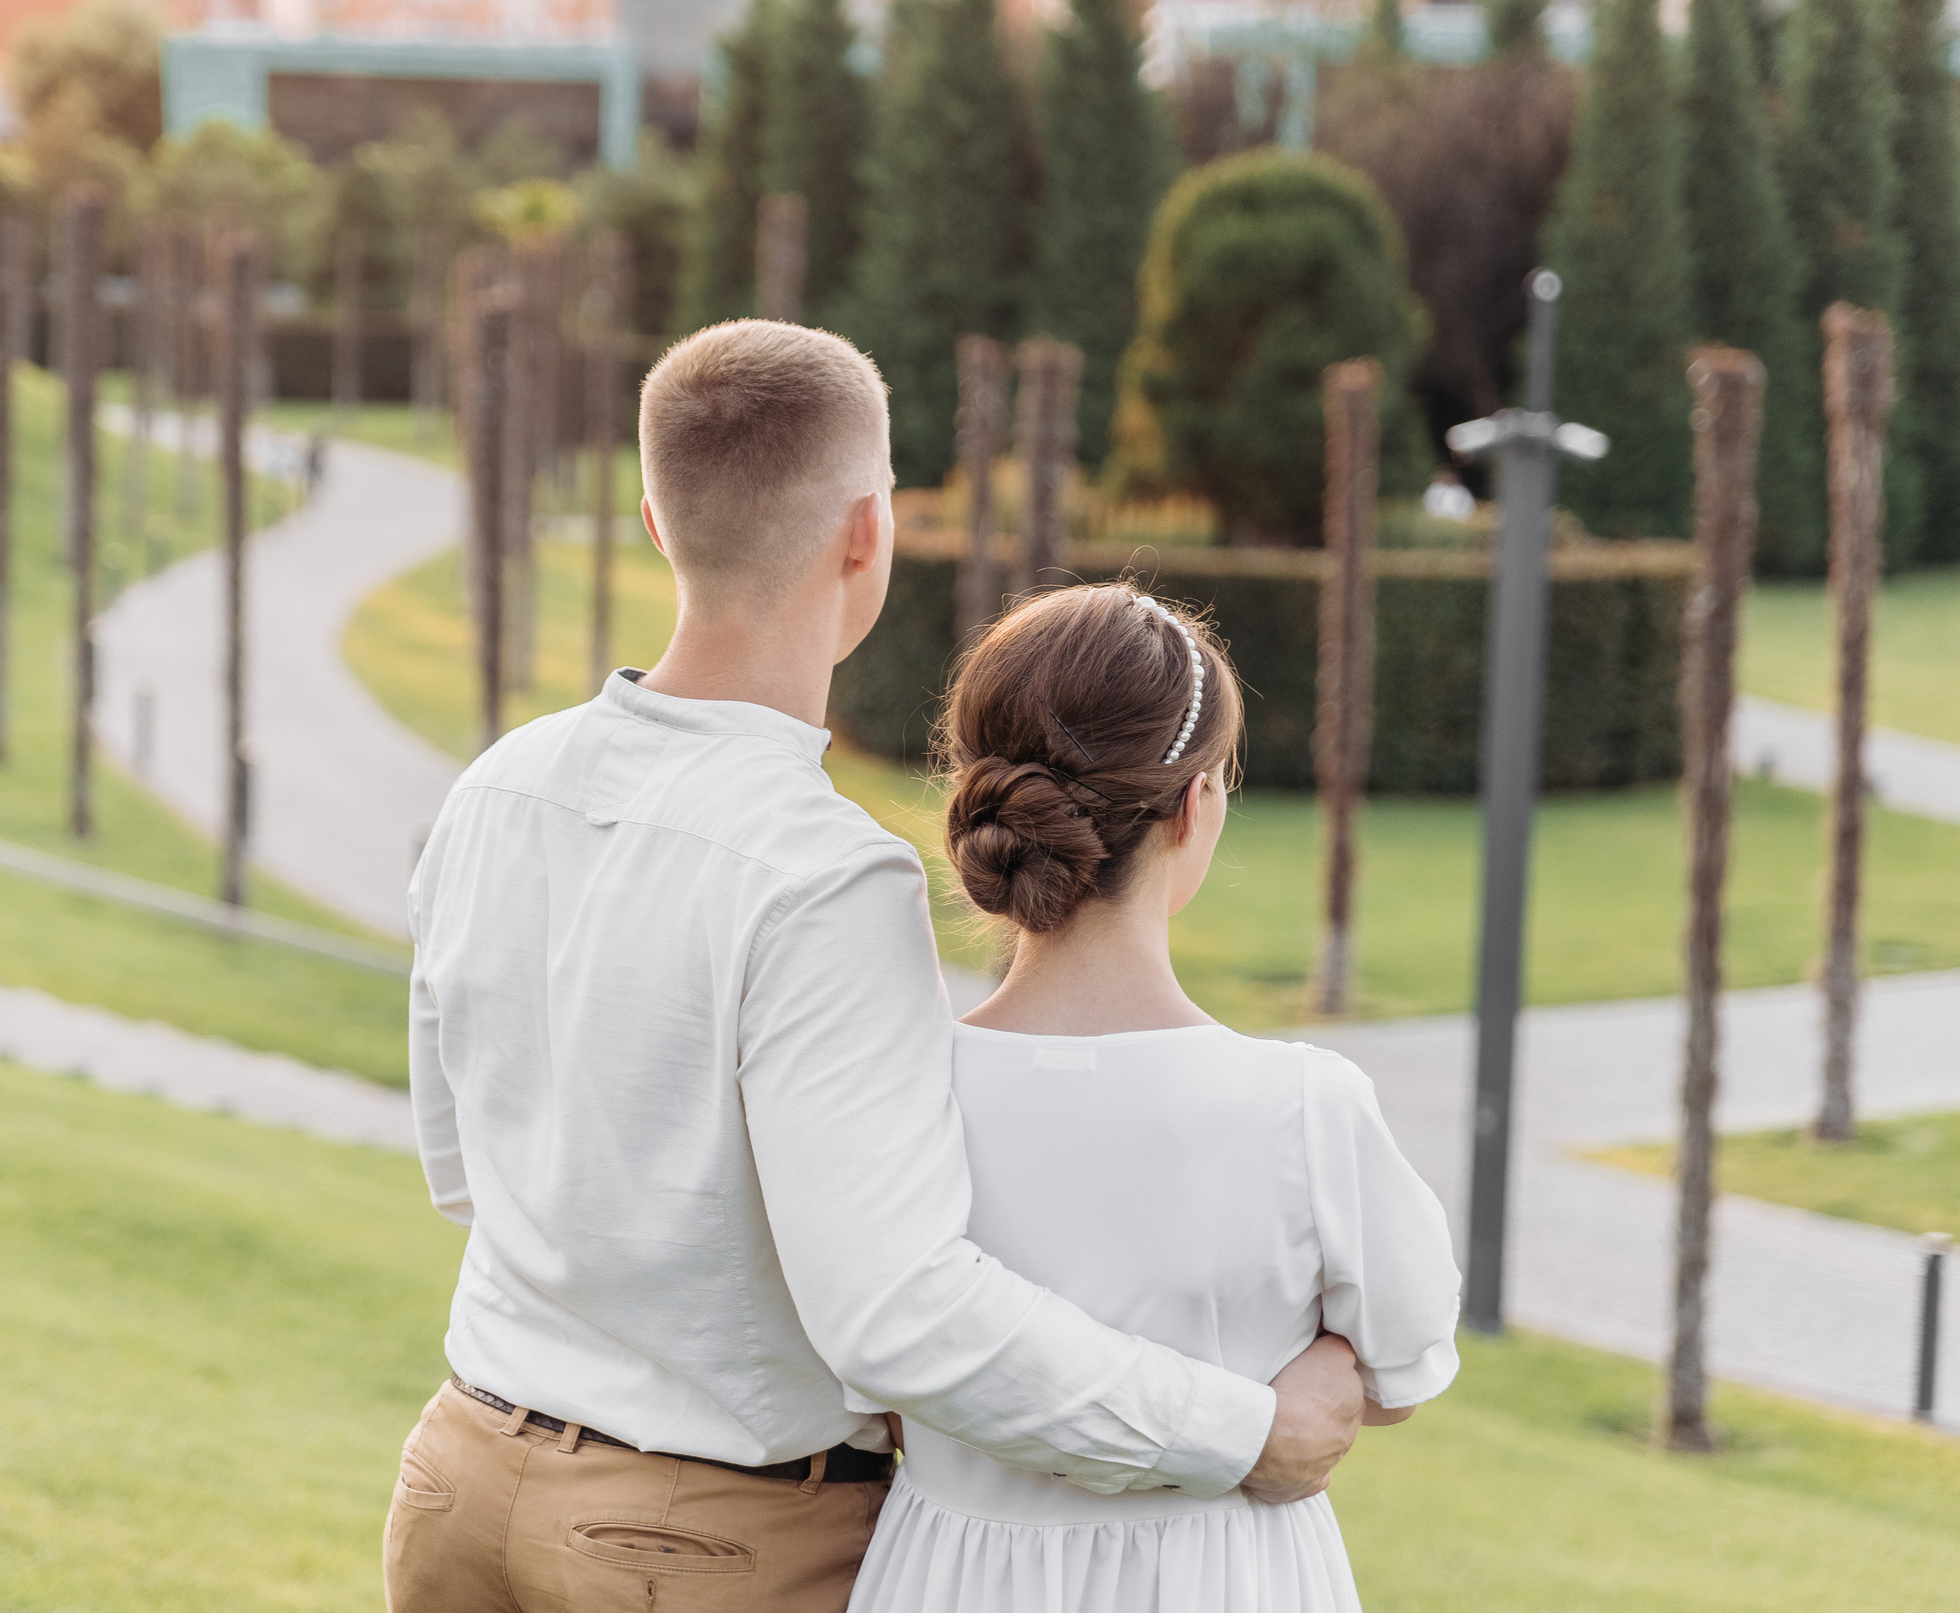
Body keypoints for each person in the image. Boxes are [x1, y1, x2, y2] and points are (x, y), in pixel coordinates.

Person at [387, 320, 1367, 1612]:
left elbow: (461, 1168)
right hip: (694, 1547)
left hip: (458, 1484)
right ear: (870, 531)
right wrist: (1244, 1431)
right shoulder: (825, 875)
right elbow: (897, 1314)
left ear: (656, 522)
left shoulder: (499, 784)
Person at [847, 583, 1462, 1613]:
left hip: (946, 1578)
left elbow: (871, 1385)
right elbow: (1401, 1374)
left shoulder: (894, 1098)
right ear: (1194, 804)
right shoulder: (1302, 1108)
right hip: (1225, 1578)